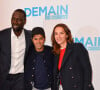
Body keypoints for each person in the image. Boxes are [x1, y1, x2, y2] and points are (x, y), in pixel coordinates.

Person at [51, 23, 94, 90]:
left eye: (61, 33)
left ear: (67, 35)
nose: (58, 36)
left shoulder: (77, 48)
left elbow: (87, 69)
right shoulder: (55, 52)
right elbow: (56, 75)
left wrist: (86, 87)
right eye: (56, 34)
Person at [0, 9, 32, 90]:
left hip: (20, 78)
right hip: (4, 77)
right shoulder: (2, 35)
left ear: (24, 21)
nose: (15, 22)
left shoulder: (30, 36)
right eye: (13, 19)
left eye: (18, 20)